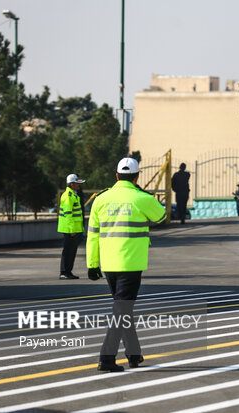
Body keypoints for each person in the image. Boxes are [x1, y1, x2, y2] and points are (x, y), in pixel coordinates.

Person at [86, 157, 167, 372]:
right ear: (137, 176)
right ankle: (106, 358)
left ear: (116, 176)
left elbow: (92, 235)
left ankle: (133, 354)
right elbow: (161, 216)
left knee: (123, 309)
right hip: (131, 263)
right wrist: (144, 194)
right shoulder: (141, 198)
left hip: (108, 264)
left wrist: (92, 265)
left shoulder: (100, 200)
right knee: (122, 310)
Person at [58, 174, 85, 280]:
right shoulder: (68, 196)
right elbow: (68, 214)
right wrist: (72, 230)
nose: (79, 185)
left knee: (72, 251)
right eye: (77, 183)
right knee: (68, 250)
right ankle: (64, 272)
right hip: (70, 229)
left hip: (74, 229)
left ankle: (68, 271)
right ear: (72, 184)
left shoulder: (73, 195)